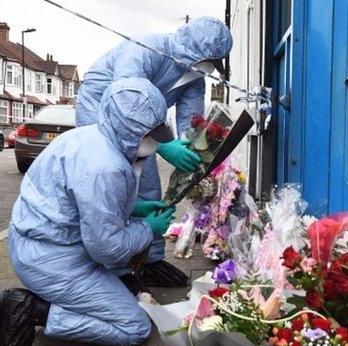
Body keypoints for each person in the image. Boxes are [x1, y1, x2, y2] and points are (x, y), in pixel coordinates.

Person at [0, 78, 175, 346]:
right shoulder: (104, 167)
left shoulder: (95, 136)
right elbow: (107, 248)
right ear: (130, 129)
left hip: (46, 244)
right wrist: (148, 229)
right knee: (134, 326)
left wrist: (137, 209)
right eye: (150, 133)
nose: (156, 141)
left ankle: (63, 300)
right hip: (52, 260)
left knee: (133, 289)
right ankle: (29, 308)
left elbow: (84, 206)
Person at [76, 16, 233, 287]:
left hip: (145, 123)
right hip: (101, 110)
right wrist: (163, 144)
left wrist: (194, 147)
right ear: (193, 48)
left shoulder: (195, 77)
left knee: (149, 186)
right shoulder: (146, 48)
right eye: (209, 59)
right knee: (117, 181)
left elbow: (190, 121)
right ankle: (115, 266)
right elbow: (127, 99)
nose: (208, 67)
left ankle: (149, 261)